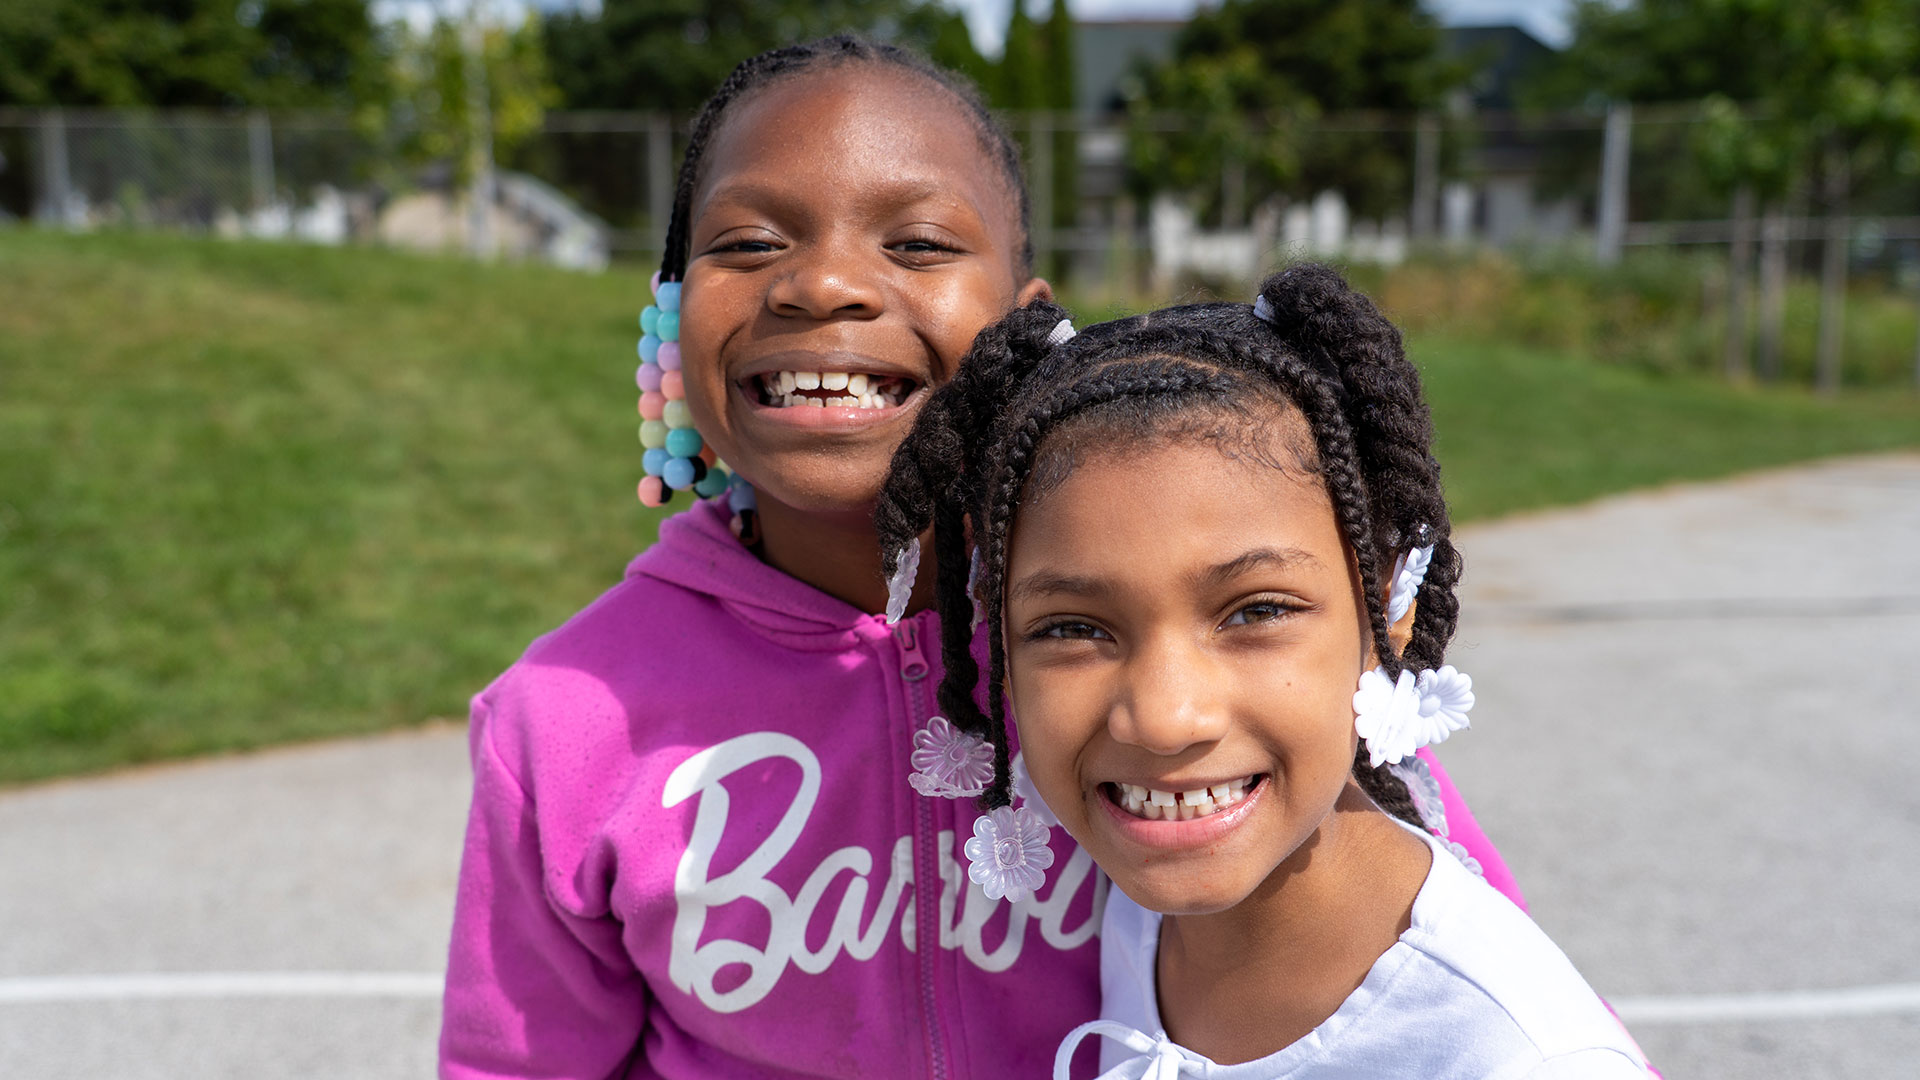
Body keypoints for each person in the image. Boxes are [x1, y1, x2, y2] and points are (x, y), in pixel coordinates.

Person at [439, 36, 1520, 1079]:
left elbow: (1474, 975)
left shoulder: (1166, 645)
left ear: (1023, 323)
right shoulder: (560, 721)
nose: (821, 287)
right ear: (667, 317)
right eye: (749, 243)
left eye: (915, 244)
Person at [873, 265, 1653, 1079]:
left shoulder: (1516, 1058)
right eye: (1072, 628)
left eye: (1256, 611)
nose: (1165, 718)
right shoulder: (1147, 912)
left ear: (1388, 601)